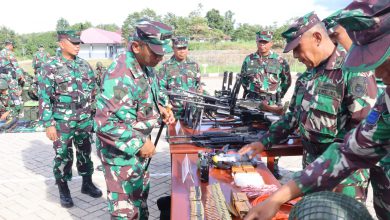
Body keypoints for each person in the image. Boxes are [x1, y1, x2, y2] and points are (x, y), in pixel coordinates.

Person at [241, 1, 390, 219]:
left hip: (345, 180)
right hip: (319, 167)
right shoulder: (385, 104)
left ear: (318, 38)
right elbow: (352, 150)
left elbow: (358, 126)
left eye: (382, 61)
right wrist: (278, 197)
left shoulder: (349, 73)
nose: (377, 73)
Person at [94, 20, 175, 219]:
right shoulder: (120, 73)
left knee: (139, 200)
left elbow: (153, 91)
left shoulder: (146, 64)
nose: (160, 57)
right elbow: (104, 123)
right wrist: (140, 142)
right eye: (156, 52)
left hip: (137, 154)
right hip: (121, 157)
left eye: (163, 52)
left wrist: (163, 107)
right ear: (136, 46)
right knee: (125, 211)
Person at [37, 30, 102, 208]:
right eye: (73, 43)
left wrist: (94, 115)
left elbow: (93, 91)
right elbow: (44, 97)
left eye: (78, 43)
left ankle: (87, 184)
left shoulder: (84, 65)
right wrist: (49, 124)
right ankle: (63, 189)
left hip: (84, 118)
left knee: (85, 152)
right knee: (63, 156)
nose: (77, 46)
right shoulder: (50, 66)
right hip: (62, 120)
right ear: (61, 44)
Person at [240, 31, 291, 108]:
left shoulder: (280, 61)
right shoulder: (249, 59)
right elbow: (243, 79)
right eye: (260, 42)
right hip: (252, 102)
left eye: (265, 42)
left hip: (272, 103)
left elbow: (286, 82)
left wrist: (278, 95)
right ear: (256, 42)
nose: (262, 44)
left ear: (271, 43)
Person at [158, 36, 202, 118]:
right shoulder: (166, 67)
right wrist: (167, 104)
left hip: (192, 112)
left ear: (187, 48)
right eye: (179, 48)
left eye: (184, 48)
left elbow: (198, 85)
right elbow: (161, 88)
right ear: (173, 48)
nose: (182, 51)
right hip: (173, 113)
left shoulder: (194, 66)